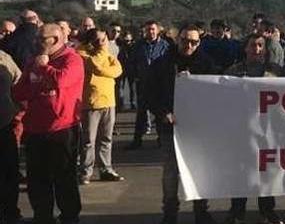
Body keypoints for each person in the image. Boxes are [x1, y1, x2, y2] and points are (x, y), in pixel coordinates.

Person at [12, 23, 84, 224]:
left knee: (64, 177)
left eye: (41, 39)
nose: (36, 42)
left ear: (55, 39)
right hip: (35, 129)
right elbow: (18, 92)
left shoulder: (72, 59)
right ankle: (42, 216)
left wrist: (44, 68)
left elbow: (61, 81)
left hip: (62, 128)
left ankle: (69, 216)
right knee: (37, 179)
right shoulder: (32, 62)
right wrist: (37, 80)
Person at [146, 24, 217, 224]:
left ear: (199, 42)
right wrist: (162, 113)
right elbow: (150, 93)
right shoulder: (161, 64)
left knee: (200, 169)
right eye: (185, 40)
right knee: (170, 171)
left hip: (198, 128)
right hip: (170, 127)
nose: (189, 45)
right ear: (178, 40)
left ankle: (201, 210)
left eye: (194, 42)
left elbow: (216, 93)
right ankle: (170, 212)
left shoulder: (207, 64)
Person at [222, 34, 284, 224]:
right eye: (253, 45)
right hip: (242, 129)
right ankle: (237, 210)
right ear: (245, 48)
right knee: (241, 171)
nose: (256, 49)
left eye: (260, 45)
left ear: (265, 49)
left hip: (268, 130)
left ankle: (267, 210)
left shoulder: (275, 72)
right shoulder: (234, 71)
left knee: (267, 172)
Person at [76, 27, 124, 185]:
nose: (103, 43)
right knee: (88, 140)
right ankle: (85, 171)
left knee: (106, 138)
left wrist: (103, 70)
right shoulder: (81, 53)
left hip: (109, 101)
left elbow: (118, 70)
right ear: (91, 41)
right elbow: (94, 65)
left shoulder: (106, 53)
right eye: (99, 40)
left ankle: (106, 169)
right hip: (91, 102)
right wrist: (104, 58)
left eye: (104, 39)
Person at [127, 20, 169, 149]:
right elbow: (132, 62)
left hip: (159, 84)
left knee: (160, 113)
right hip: (143, 83)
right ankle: (137, 141)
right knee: (141, 114)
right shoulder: (138, 45)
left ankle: (161, 139)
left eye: (152, 29)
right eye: (148, 29)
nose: (150, 32)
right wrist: (135, 76)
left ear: (158, 30)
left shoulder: (165, 45)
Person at [0, 48, 21, 223]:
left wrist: (19, 112)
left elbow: (19, 82)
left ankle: (10, 211)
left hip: (6, 124)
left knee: (9, 171)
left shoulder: (4, 57)